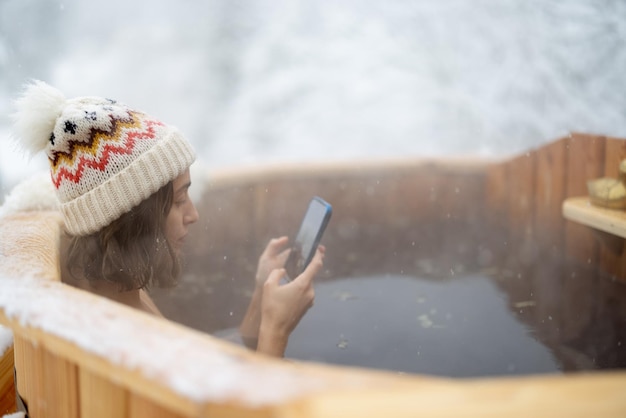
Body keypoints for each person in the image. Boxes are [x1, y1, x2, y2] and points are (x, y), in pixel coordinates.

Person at [11, 80, 324, 358]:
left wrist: (260, 300)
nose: (193, 215)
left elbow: (209, 370)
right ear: (134, 219)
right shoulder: (124, 335)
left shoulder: (118, 286)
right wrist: (277, 329)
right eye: (178, 200)